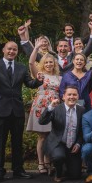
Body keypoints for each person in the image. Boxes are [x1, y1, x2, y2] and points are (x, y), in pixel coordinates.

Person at [0, 41, 42, 183]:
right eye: (9, 49)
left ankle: (18, 170)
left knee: (17, 142)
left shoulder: (21, 67)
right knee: (0, 142)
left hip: (16, 111)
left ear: (17, 52)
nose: (12, 51)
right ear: (3, 50)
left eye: (15, 49)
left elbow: (30, 84)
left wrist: (38, 81)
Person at [27, 44, 62, 175]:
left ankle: (49, 163)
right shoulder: (39, 75)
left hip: (54, 107)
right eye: (46, 62)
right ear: (43, 64)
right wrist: (35, 49)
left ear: (55, 64)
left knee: (51, 135)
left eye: (51, 62)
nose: (48, 64)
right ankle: (41, 163)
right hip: (41, 107)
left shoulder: (60, 78)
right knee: (42, 136)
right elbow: (31, 63)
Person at [39, 86, 85, 182]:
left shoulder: (81, 110)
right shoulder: (56, 109)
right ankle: (58, 172)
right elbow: (42, 121)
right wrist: (50, 107)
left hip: (73, 145)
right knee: (58, 157)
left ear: (78, 96)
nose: (72, 97)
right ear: (63, 97)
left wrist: (78, 143)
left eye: (74, 94)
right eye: (69, 94)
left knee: (76, 175)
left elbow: (82, 131)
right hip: (58, 143)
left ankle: (66, 166)